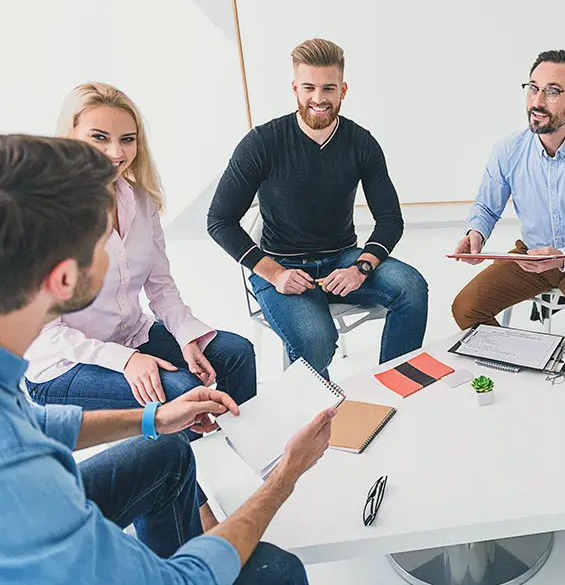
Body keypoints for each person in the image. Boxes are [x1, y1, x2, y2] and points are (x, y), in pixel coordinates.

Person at [0, 133, 336, 584]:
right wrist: (288, 475)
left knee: (165, 455)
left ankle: (199, 523)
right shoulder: (31, 491)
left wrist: (154, 420)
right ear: (63, 277)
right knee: (279, 569)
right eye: (100, 236)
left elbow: (34, 426)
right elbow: (181, 581)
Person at [208, 38, 428, 374]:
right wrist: (275, 273)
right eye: (309, 87)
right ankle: (314, 419)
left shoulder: (361, 143)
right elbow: (220, 220)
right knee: (316, 340)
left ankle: (393, 389)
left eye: (329, 88)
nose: (319, 98)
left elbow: (390, 219)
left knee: (412, 288)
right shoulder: (262, 143)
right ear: (295, 88)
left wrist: (361, 268)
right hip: (281, 265)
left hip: (343, 258)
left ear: (343, 90)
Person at [451, 49, 565, 348]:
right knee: (466, 308)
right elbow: (486, 205)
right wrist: (476, 233)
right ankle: (532, 360)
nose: (537, 101)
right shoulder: (508, 150)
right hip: (531, 256)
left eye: (552, 92)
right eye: (533, 88)